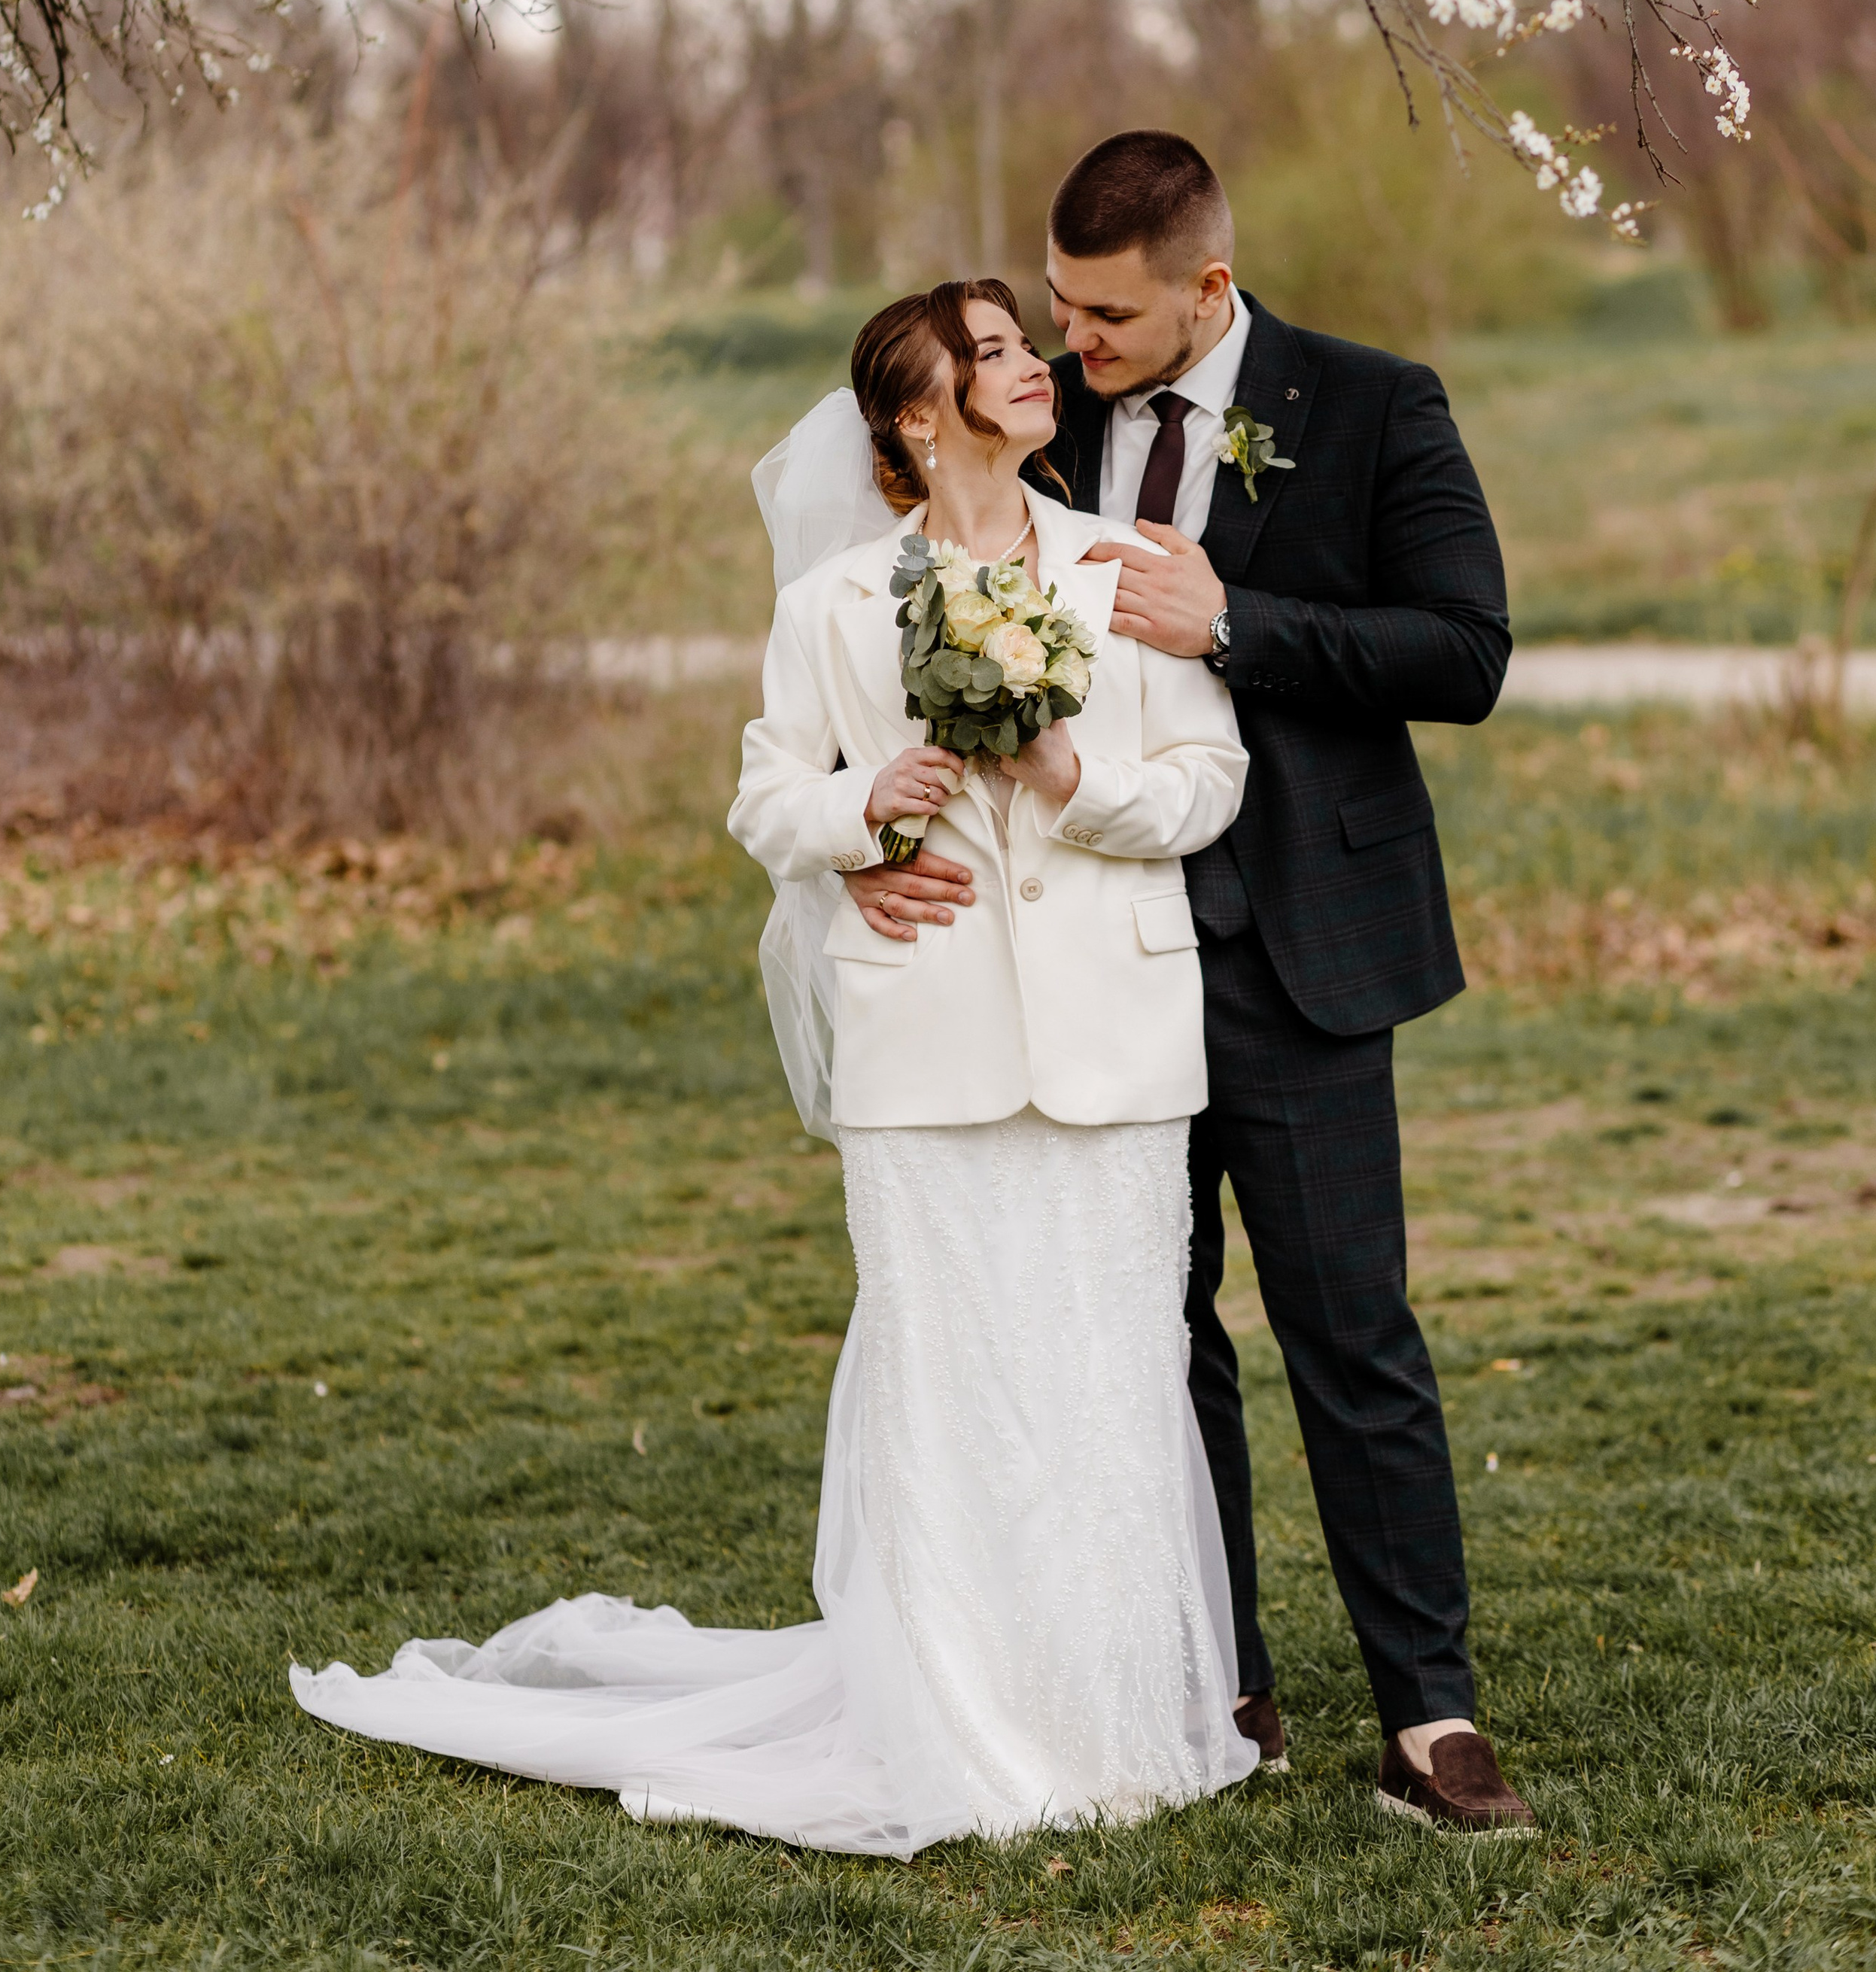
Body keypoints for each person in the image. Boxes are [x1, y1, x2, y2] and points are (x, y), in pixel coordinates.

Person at [289, 275, 1260, 1855]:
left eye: (1028, 346)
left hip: (1113, 1038)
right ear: (913, 411)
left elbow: (1208, 778)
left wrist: (1078, 779)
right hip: (922, 1035)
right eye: (996, 352)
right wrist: (860, 818)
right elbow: (765, 801)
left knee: (1104, 1379)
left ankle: (1111, 1721)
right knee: (946, 1387)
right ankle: (959, 1730)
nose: (1033, 369)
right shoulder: (830, 604)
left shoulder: (1124, 569)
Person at [838, 136, 1532, 1835]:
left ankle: (1426, 1716)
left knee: (1344, 1333)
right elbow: (907, 640)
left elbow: (1463, 652)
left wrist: (1237, 621)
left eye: (1108, 314)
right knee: (1147, 1337)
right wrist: (868, 826)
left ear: (1206, 289)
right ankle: (1210, 1679)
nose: (1071, 342)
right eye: (1057, 310)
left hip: (1296, 952)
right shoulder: (1037, 428)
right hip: (1085, 960)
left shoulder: (1369, 404)